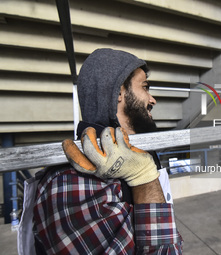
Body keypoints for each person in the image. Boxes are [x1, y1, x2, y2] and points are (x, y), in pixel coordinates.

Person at [32, 48, 183, 254]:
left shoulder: (140, 157)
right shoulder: (68, 182)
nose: (152, 100)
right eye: (145, 87)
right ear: (118, 92)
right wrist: (145, 179)